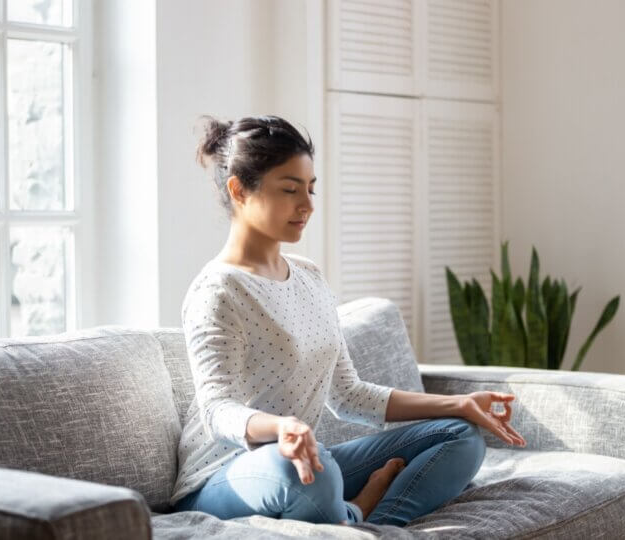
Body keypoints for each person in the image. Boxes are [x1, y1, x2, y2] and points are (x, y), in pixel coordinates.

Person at [170, 114, 527, 527]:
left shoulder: (309, 276)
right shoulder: (218, 291)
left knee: (459, 436)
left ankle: (373, 526)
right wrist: (281, 427)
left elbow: (349, 395)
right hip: (223, 477)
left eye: (310, 188)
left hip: (307, 460)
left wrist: (460, 404)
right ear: (239, 190)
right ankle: (356, 511)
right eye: (290, 190)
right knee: (306, 472)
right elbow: (217, 410)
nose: (307, 205)